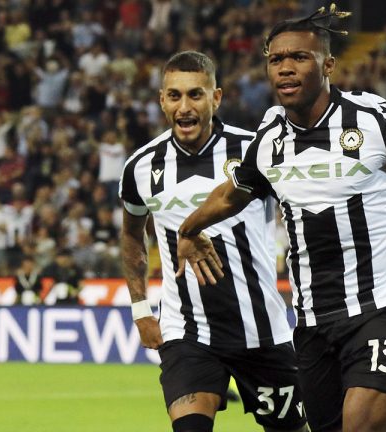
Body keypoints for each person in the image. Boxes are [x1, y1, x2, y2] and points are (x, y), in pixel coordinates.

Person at [176, 6, 386, 432]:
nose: (285, 68)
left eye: (299, 57)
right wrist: (189, 229)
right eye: (276, 59)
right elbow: (232, 194)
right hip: (315, 316)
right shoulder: (269, 140)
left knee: (359, 428)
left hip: (381, 303)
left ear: (328, 65)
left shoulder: (371, 122)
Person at [119, 51, 307, 432]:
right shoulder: (141, 166)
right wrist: (140, 310)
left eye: (195, 95)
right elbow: (131, 234)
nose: (184, 107)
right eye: (174, 96)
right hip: (188, 332)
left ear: (216, 98)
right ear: (161, 100)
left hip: (261, 331)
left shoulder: (255, 151)